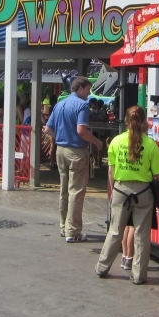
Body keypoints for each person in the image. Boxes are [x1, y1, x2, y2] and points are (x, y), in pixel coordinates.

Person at [96, 105, 159, 284]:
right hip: (143, 193)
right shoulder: (151, 146)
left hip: (120, 190)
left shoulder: (116, 142)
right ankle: (139, 275)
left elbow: (111, 172)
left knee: (115, 231)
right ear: (144, 122)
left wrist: (114, 191)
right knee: (142, 235)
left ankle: (102, 266)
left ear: (126, 121)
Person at [45, 76, 104, 243]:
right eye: (87, 89)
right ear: (80, 88)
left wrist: (60, 138)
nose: (89, 93)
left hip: (61, 150)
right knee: (76, 192)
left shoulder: (59, 104)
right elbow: (81, 131)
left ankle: (64, 226)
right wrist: (97, 142)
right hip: (77, 151)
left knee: (64, 190)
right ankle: (73, 231)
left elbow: (48, 129)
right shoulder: (82, 105)